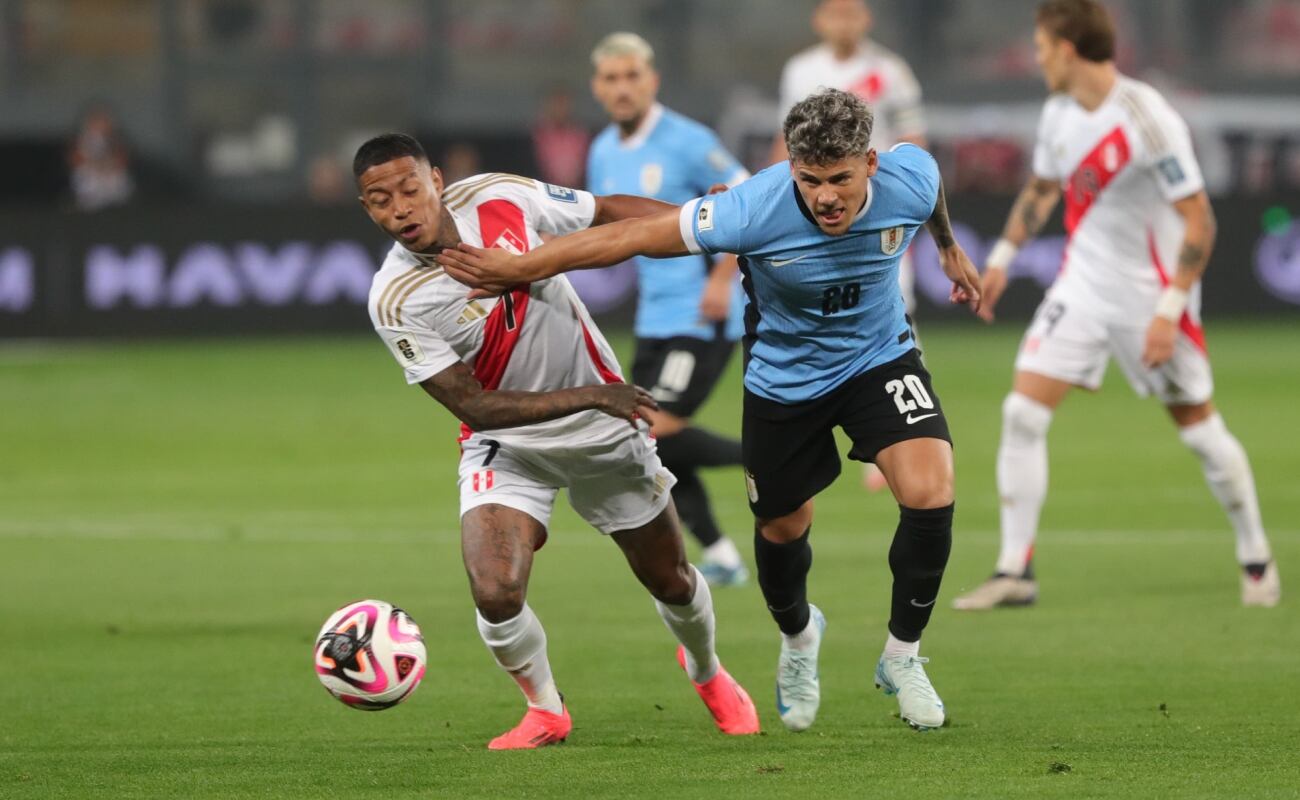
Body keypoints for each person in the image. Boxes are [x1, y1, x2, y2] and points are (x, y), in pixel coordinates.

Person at [438, 90, 983, 732]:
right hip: (786, 381)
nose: (826, 196)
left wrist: (946, 246)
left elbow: (931, 179)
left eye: (840, 179)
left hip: (879, 357)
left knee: (931, 491)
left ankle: (904, 656)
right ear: (792, 169)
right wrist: (521, 266)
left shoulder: (908, 178)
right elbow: (632, 236)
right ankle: (799, 636)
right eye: (810, 181)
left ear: (870, 163)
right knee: (783, 532)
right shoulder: (754, 207)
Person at [354, 133, 760, 749]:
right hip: (510, 441)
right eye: (380, 201)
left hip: (604, 435)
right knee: (494, 587)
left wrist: (703, 224)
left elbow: (605, 213)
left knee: (671, 579)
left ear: (436, 179)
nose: (400, 209)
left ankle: (707, 671)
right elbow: (474, 406)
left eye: (409, 189)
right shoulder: (395, 299)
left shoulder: (498, 196)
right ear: (368, 209)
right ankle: (546, 709)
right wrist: (595, 393)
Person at [952, 0, 1280, 611]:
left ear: (1070, 49)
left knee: (1202, 434)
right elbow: (1044, 188)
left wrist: (1169, 308)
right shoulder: (1056, 112)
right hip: (1081, 287)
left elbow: (1199, 220)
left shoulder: (1146, 117)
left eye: (1044, 47)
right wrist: (998, 261)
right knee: (1022, 412)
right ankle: (1015, 570)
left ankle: (1256, 556)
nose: (1037, 57)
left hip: (1151, 296)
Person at [586, 32, 751, 586]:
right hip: (654, 317)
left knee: (656, 426)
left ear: (651, 80)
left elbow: (744, 198)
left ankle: (768, 456)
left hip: (702, 315)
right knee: (646, 437)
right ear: (598, 88)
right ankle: (723, 554)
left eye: (632, 75)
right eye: (612, 78)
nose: (623, 88)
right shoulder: (602, 152)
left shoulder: (687, 140)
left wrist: (724, 277)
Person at [772, 0, 928, 492]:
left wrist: (914, 207)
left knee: (896, 310)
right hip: (814, 208)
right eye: (835, 13)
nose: (844, 22)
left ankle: (900, 427)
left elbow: (913, 143)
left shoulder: (890, 71)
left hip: (877, 216)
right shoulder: (800, 71)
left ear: (866, 19)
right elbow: (787, 146)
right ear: (820, 19)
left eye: (852, 13)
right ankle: (820, 416)